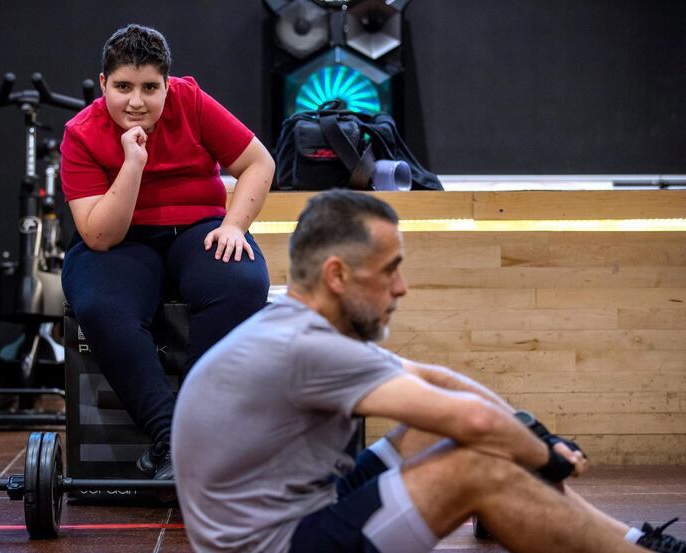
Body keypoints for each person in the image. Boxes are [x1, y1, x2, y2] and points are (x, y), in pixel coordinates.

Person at [172, 189, 686, 553]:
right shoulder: (306, 347)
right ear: (337, 275)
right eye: (391, 270)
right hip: (276, 544)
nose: (402, 289)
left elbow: (438, 382)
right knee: (475, 464)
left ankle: (631, 539)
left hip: (307, 503)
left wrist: (535, 435)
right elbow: (477, 425)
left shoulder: (297, 319)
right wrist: (546, 459)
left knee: (435, 426)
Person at [59, 24, 273, 480]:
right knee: (100, 306)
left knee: (243, 283)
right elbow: (100, 237)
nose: (136, 102)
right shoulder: (80, 133)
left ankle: (196, 428)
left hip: (197, 227)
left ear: (167, 85)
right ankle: (171, 439)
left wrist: (234, 225)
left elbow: (258, 162)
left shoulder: (191, 101)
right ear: (103, 84)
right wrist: (134, 163)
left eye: (149, 88)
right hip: (122, 238)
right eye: (123, 87)